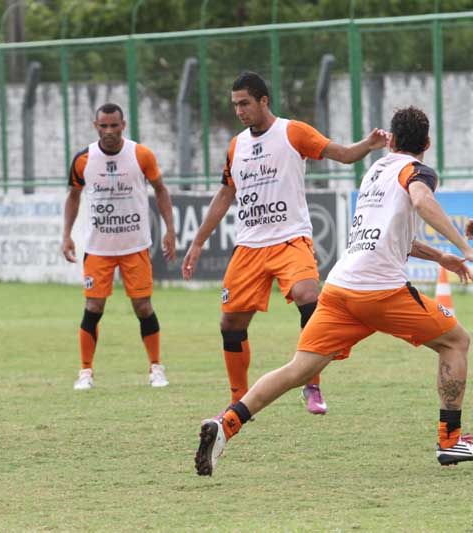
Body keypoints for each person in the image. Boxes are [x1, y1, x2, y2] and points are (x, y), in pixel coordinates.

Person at [196, 106, 473, 476]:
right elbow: (422, 201)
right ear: (427, 142)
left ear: (390, 140)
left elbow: (391, 235)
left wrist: (440, 256)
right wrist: (465, 249)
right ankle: (450, 439)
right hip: (380, 291)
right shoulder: (417, 171)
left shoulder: (376, 172)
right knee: (456, 341)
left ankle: (227, 423)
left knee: (299, 368)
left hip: (341, 288)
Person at [182, 71, 387, 415]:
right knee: (230, 325)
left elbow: (342, 154)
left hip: (291, 240)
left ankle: (313, 384)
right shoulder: (237, 145)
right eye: (234, 105)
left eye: (245, 103)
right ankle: (238, 400)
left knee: (309, 295)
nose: (239, 111)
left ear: (264, 100)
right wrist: (198, 242)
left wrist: (367, 145)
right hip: (249, 247)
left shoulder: (293, 132)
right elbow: (226, 193)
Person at [62, 102, 177, 390]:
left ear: (123, 125)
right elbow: (73, 196)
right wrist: (67, 234)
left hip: (135, 245)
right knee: (93, 305)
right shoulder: (83, 160)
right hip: (98, 248)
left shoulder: (140, 155)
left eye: (115, 125)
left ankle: (155, 367)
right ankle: (85, 371)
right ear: (96, 126)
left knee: (143, 306)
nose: (109, 131)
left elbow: (160, 190)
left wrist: (170, 229)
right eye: (104, 126)